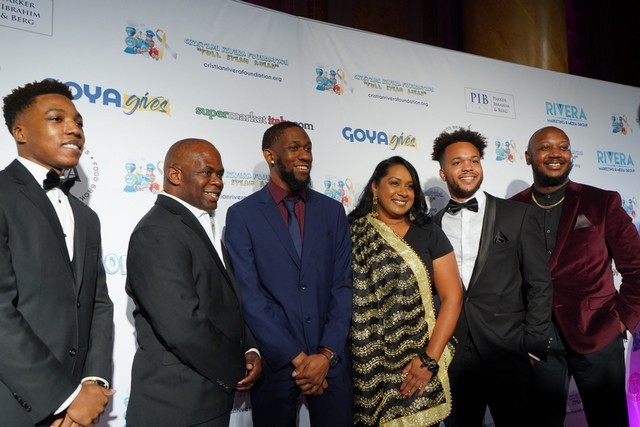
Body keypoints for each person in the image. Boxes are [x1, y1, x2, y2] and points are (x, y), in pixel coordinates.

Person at [0, 80, 114, 426]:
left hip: (80, 407)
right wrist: (63, 398)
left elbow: (97, 303)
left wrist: (93, 383)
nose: (74, 129)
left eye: (79, 122)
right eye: (56, 119)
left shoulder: (87, 217)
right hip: (15, 404)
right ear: (20, 132)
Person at [224, 121, 353, 427]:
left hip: (330, 361)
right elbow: (249, 294)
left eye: (308, 148)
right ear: (270, 155)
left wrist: (325, 354)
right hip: (276, 363)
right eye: (294, 148)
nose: (304, 155)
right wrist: (297, 358)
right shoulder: (242, 215)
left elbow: (343, 285)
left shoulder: (333, 212)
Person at [125, 138, 261, 427]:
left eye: (220, 174)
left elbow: (226, 301)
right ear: (175, 175)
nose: (218, 182)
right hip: (176, 406)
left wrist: (250, 347)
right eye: (207, 172)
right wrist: (236, 365)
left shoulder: (197, 224)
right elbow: (182, 325)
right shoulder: (157, 231)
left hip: (205, 400)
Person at [511, 126, 640, 427]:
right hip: (537, 339)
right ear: (528, 157)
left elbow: (636, 267)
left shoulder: (601, 202)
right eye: (545, 147)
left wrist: (622, 319)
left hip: (597, 332)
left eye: (563, 146)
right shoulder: (512, 208)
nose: (556, 153)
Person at [431, 127, 553, 427]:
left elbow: (539, 284)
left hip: (509, 350)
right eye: (457, 162)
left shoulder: (518, 215)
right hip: (454, 353)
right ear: (443, 173)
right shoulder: (432, 226)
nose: (468, 167)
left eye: (474, 160)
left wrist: (534, 347)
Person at [347, 156, 462, 426]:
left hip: (419, 362)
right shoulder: (352, 232)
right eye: (394, 183)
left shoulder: (428, 233)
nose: (403, 192)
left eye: (410, 186)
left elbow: (453, 297)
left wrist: (429, 360)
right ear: (375, 187)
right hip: (366, 366)